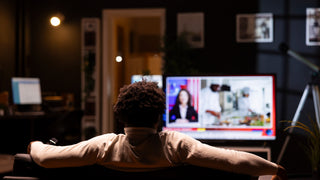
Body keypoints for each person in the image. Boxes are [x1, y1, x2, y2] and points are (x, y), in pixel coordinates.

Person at [27, 81, 287, 179]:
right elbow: (234, 159)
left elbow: (47, 158)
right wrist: (273, 168)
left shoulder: (103, 145)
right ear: (158, 117)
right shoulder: (176, 145)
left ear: (121, 117)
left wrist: (35, 145)